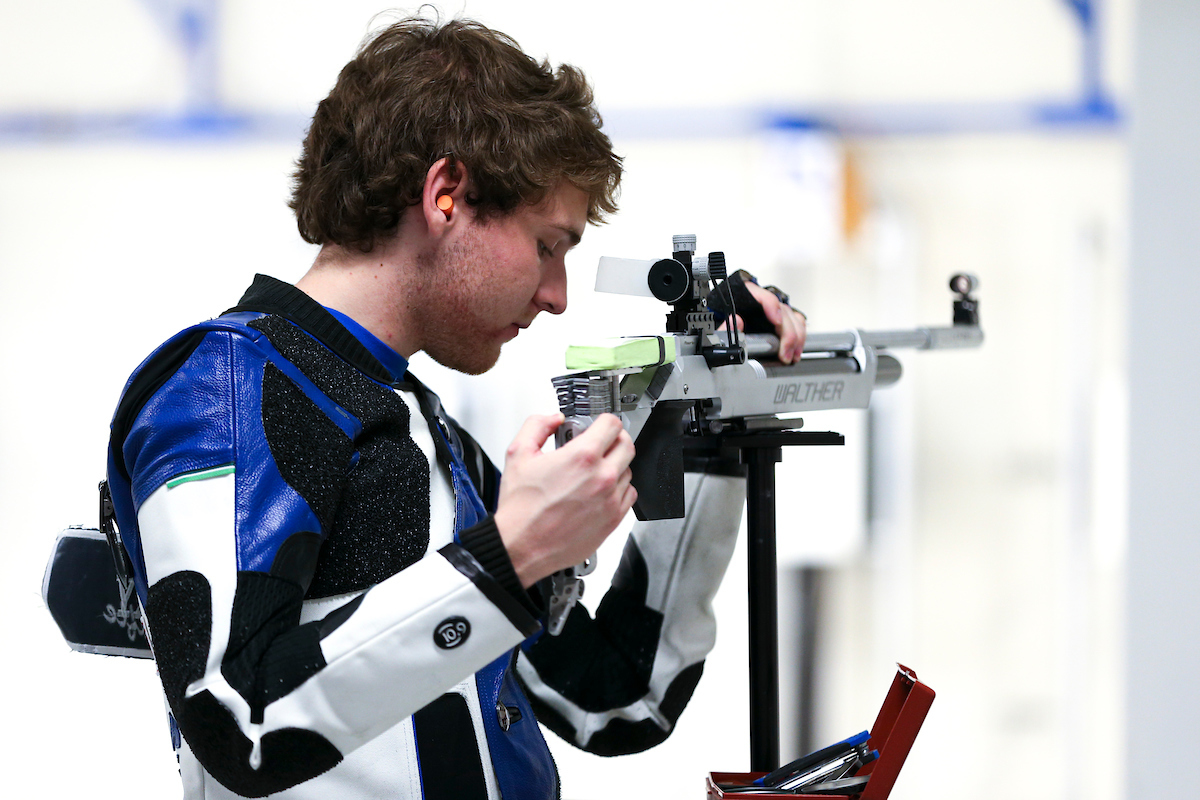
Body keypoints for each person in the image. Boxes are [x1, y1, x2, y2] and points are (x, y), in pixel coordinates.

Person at [105, 15, 807, 800]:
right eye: (547, 245)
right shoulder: (227, 384)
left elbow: (614, 697)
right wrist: (507, 559)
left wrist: (707, 420)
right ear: (446, 195)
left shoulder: (425, 435)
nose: (557, 296)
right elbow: (241, 721)